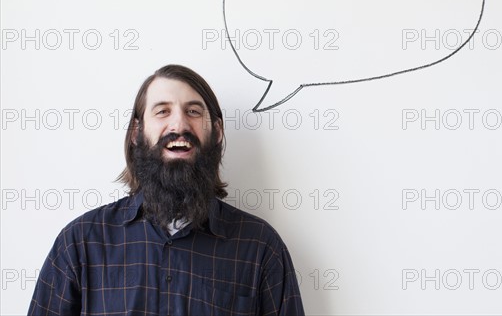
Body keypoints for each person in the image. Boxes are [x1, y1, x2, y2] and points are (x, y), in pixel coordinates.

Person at [27, 64, 305, 316]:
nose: (179, 125)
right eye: (162, 111)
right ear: (137, 132)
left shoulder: (260, 247)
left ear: (217, 132)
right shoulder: (80, 243)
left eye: (193, 111)